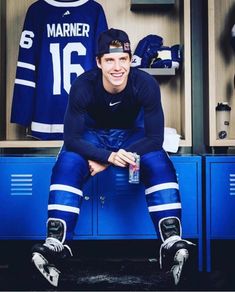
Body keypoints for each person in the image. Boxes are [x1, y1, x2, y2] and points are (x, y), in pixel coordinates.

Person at [31, 28, 194, 287]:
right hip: (92, 136)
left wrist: (106, 160)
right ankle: (56, 245)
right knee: (69, 163)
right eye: (109, 59)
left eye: (123, 59)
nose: (117, 67)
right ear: (99, 62)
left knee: (157, 161)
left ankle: (171, 242)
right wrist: (107, 154)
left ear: (130, 60)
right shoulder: (84, 84)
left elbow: (154, 138)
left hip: (133, 136)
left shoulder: (145, 83)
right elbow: (72, 138)